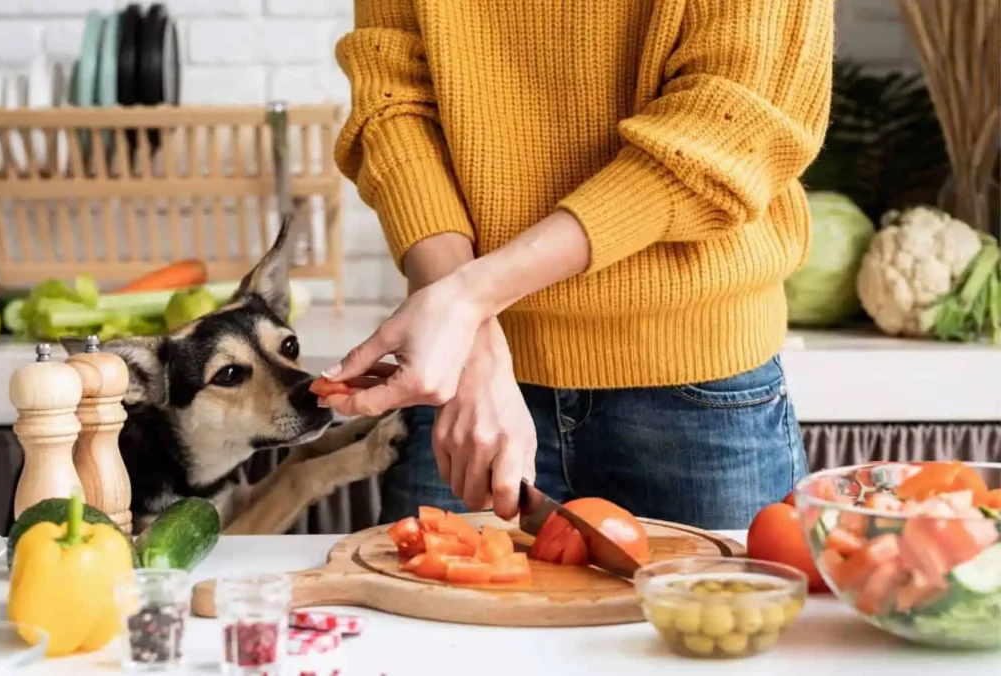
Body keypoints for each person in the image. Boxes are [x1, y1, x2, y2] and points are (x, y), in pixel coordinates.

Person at [324, 0, 834, 530]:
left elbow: (729, 125)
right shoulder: (465, 340)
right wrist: (470, 339)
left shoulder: (463, 309)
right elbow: (393, 102)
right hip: (464, 381)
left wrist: (467, 301)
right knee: (423, 610)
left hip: (697, 386)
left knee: (717, 613)